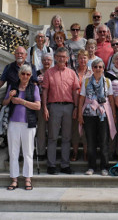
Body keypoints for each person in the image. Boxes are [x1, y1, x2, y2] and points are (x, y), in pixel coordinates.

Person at [2, 64, 41, 191]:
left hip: (28, 124)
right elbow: (4, 103)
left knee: (28, 152)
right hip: (13, 123)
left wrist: (22, 102)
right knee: (13, 152)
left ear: (30, 76)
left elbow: (37, 106)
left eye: (28, 74)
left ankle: (28, 178)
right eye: (23, 74)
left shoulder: (33, 88)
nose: (25, 76)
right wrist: (10, 97)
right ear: (19, 75)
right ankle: (14, 179)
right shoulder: (13, 87)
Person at [42, 47, 80, 175]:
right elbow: (45, 91)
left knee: (66, 137)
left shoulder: (72, 73)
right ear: (55, 58)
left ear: (67, 58)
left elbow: (75, 91)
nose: (61, 59)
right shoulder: (49, 73)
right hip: (54, 106)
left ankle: (65, 165)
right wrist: (45, 107)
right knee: (52, 137)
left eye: (64, 57)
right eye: (59, 56)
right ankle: (51, 165)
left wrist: (76, 107)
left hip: (69, 107)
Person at [78, 59, 117, 176]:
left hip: (103, 115)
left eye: (100, 67)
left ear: (103, 68)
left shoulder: (108, 82)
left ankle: (104, 167)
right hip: (89, 114)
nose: (98, 69)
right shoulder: (86, 81)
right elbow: (81, 98)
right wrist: (80, 113)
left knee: (104, 142)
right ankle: (91, 166)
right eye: (95, 67)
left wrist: (114, 115)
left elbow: (111, 99)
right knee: (91, 142)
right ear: (92, 69)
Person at [71, 49, 92, 161]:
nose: (82, 60)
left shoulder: (92, 72)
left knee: (87, 129)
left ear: (88, 59)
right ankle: (74, 152)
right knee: (75, 129)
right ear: (77, 60)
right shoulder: (73, 72)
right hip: (75, 102)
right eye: (80, 58)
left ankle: (86, 152)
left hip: (88, 104)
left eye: (84, 57)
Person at [35, 53, 54, 160]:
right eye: (45, 60)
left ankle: (51, 152)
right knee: (41, 128)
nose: (47, 62)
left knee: (52, 128)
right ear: (42, 61)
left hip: (53, 102)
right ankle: (41, 152)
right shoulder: (37, 73)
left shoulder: (54, 72)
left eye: (49, 60)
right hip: (41, 102)